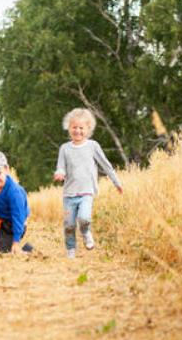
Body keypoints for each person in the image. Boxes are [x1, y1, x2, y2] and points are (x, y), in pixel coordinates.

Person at [53, 108, 123, 258]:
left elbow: (106, 165)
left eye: (81, 128)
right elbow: (61, 166)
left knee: (84, 218)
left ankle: (85, 232)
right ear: (68, 127)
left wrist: (116, 182)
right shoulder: (64, 148)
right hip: (69, 193)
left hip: (87, 192)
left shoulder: (93, 146)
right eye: (74, 127)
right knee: (69, 225)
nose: (77, 131)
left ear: (88, 129)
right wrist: (59, 172)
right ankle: (71, 249)